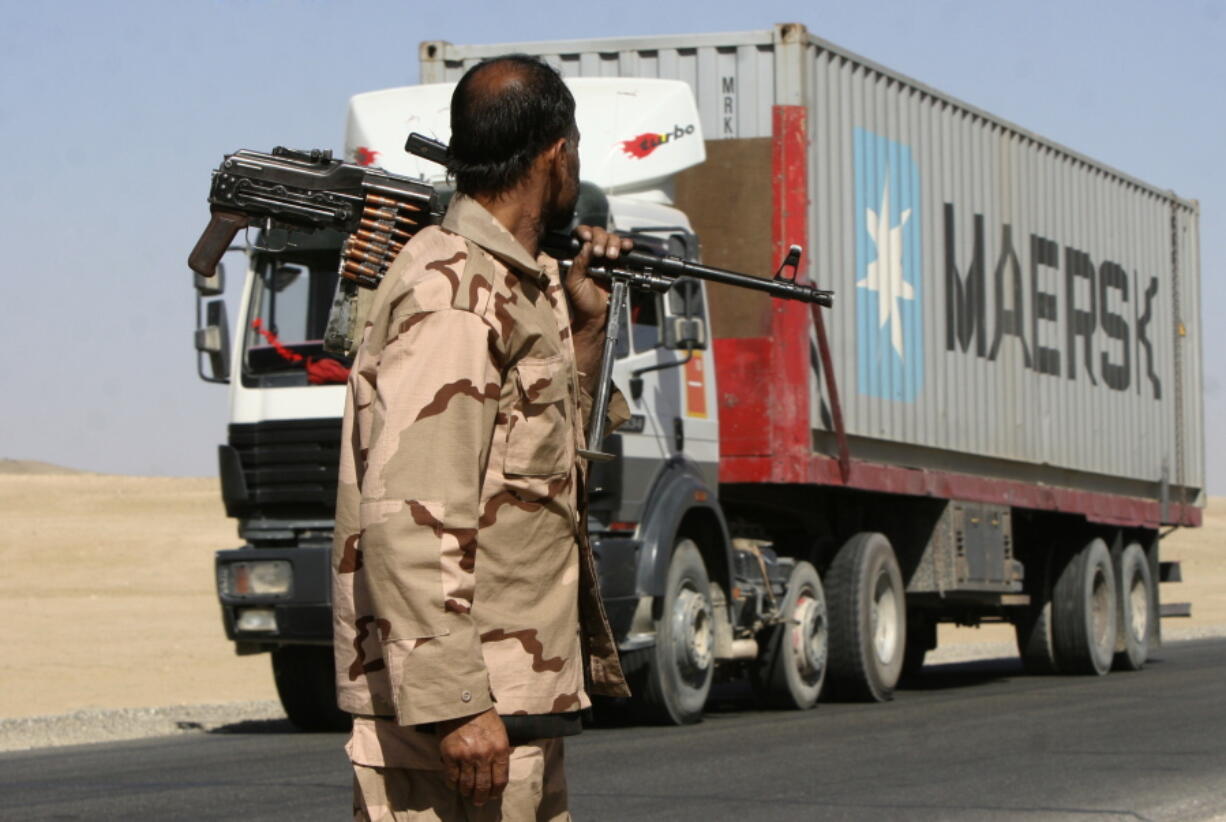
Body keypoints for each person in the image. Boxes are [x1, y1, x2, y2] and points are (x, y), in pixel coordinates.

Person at [332, 53, 632, 821]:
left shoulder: (516, 284)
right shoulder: (456, 295)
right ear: (557, 152)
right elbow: (410, 512)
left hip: (515, 707)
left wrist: (588, 331)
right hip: (462, 724)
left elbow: (540, 460)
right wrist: (458, 704)